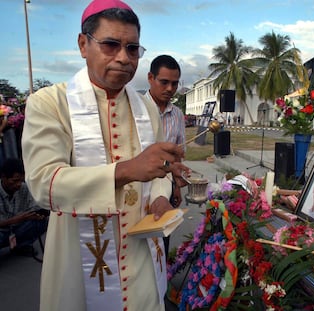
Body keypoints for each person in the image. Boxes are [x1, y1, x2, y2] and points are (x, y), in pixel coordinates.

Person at [21, 1, 189, 310]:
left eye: (133, 48)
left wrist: (160, 197)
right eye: (111, 45)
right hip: (78, 262)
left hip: (141, 258)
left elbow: (159, 172)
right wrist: (127, 170)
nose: (124, 57)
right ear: (83, 44)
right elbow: (44, 184)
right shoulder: (50, 103)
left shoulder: (146, 108)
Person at [145, 54, 186, 252]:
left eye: (175, 84)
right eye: (164, 82)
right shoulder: (135, 109)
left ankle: (163, 279)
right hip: (139, 189)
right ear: (150, 78)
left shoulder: (177, 114)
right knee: (140, 242)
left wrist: (177, 187)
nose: (170, 89)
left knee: (163, 238)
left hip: (167, 187)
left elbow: (178, 155)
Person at [0, 158, 48, 255]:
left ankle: (21, 245)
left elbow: (33, 207)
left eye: (21, 181)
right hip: (2, 231)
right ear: (3, 177)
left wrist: (37, 213)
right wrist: (19, 219)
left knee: (41, 222)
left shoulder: (23, 188)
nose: (18, 184)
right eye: (15, 181)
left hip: (16, 229)